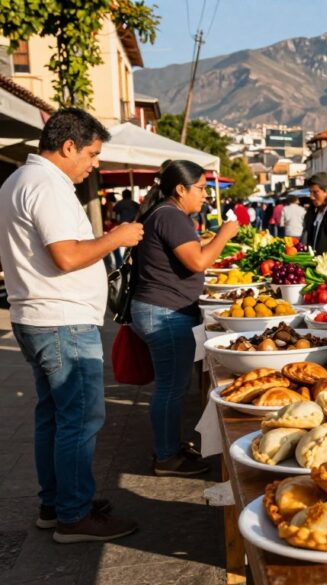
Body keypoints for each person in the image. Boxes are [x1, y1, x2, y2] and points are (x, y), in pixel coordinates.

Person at [0, 108, 144, 542]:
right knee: (79, 419)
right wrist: (117, 238)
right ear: (68, 147)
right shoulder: (47, 185)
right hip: (60, 321)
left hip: (38, 317)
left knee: (55, 417)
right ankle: (73, 515)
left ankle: (57, 503)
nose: (95, 164)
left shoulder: (18, 181)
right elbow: (66, 255)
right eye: (93, 154)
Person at [131, 160, 240, 476]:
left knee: (173, 384)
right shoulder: (171, 216)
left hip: (162, 309)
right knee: (171, 386)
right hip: (165, 312)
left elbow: (188, 253)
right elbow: (198, 262)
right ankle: (165, 457)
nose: (206, 195)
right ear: (180, 189)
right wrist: (224, 234)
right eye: (202, 188)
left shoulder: (166, 215)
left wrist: (208, 240)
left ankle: (170, 445)